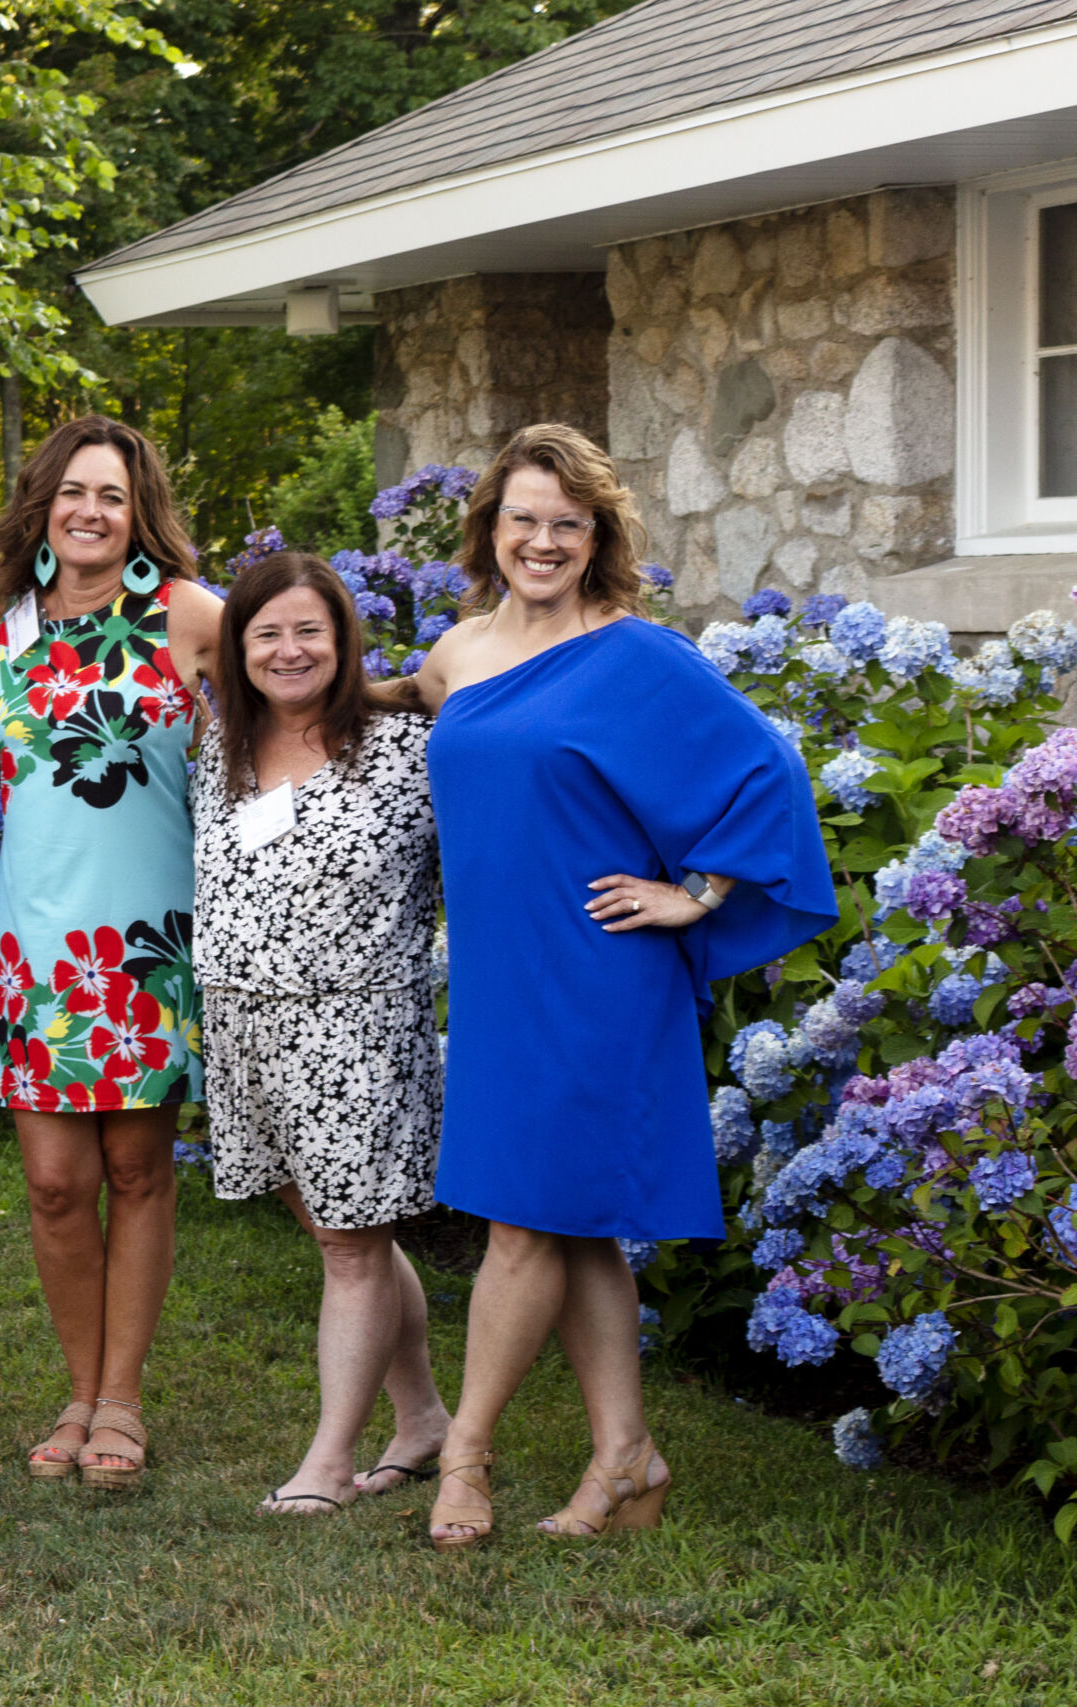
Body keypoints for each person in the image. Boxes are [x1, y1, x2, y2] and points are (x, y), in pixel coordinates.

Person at [401, 423, 835, 1547]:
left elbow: (765, 767)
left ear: (595, 537)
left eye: (566, 523)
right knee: (576, 1224)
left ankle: (466, 1462)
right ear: (487, 526)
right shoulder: (453, 657)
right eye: (521, 519)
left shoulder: (633, 655)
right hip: (502, 983)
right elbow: (404, 721)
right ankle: (626, 1460)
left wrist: (694, 893)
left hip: (597, 975)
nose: (540, 541)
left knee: (517, 1225)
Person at [0, 415, 219, 1488]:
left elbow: (298, 696)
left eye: (112, 497)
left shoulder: (186, 616)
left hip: (148, 940)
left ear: (140, 515)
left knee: (136, 1169)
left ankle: (119, 1399)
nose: (90, 511)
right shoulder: (3, 628)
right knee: (51, 1184)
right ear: (43, 505)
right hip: (34, 947)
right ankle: (76, 1390)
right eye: (73, 492)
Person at [190, 549, 452, 1516]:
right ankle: (423, 1419)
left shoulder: (403, 749)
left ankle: (331, 1458)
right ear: (238, 648)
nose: (288, 650)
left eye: (310, 630)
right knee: (345, 1236)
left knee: (351, 1245)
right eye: (267, 633)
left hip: (356, 1030)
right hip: (246, 1029)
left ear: (343, 639)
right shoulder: (221, 750)